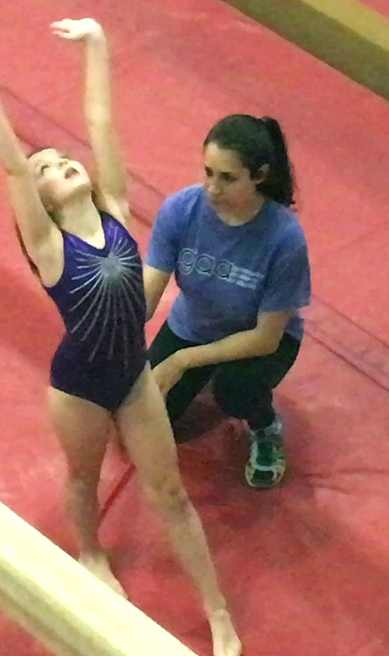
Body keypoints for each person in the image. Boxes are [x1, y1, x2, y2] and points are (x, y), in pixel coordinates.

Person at [0, 17, 241, 656]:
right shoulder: (49, 247)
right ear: (42, 201)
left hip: (133, 377)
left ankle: (215, 605)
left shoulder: (116, 209)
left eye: (61, 157)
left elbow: (102, 123)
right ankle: (90, 551)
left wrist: (97, 43)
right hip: (78, 386)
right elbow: (12, 170)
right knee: (82, 478)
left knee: (171, 494)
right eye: (47, 169)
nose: (60, 163)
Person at [142, 114, 311, 490]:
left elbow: (265, 338)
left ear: (259, 176)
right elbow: (148, 293)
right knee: (145, 420)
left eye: (228, 178)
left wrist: (182, 361)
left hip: (257, 341)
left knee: (235, 391)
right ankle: (199, 377)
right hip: (194, 326)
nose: (212, 188)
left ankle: (265, 426)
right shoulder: (180, 210)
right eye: (208, 172)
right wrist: (113, 330)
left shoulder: (284, 240)